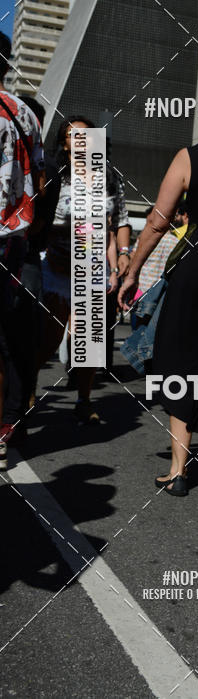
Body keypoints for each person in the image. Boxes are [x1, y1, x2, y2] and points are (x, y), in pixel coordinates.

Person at [119, 141, 198, 496]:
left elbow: (157, 221)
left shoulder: (193, 156)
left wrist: (133, 271)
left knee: (181, 360)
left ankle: (178, 470)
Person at [33, 115, 120, 424]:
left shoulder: (107, 178)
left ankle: (84, 400)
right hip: (57, 265)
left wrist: (113, 268)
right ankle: (27, 393)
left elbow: (109, 229)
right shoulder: (55, 175)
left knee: (88, 341)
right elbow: (42, 220)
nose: (81, 139)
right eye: (73, 135)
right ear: (64, 143)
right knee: (51, 338)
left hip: (92, 266)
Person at [0, 31, 45, 462]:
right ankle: (7, 425)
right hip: (13, 241)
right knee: (12, 335)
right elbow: (41, 178)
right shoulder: (24, 115)